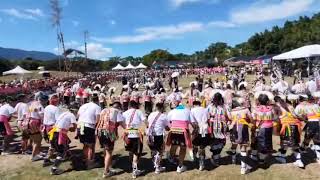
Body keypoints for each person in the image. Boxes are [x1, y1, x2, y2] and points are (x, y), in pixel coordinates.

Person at [96, 97, 125, 178]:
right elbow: (123, 125)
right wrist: (132, 130)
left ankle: (108, 166)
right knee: (109, 152)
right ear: (119, 107)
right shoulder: (117, 111)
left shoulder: (104, 110)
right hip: (108, 132)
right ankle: (106, 172)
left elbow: (99, 120)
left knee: (105, 149)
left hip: (100, 131)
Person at [274, 96, 304, 168]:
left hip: (287, 127)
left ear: (275, 101)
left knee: (286, 143)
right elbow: (295, 115)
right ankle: (297, 160)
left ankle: (285, 158)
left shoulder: (277, 107)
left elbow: (276, 118)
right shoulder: (290, 105)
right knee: (293, 143)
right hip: (295, 125)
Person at [166, 95, 192, 173]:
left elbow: (168, 122)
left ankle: (171, 158)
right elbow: (191, 121)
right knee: (183, 148)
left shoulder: (172, 111)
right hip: (183, 131)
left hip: (174, 131)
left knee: (174, 145)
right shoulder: (187, 110)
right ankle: (180, 166)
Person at [251, 92, 277, 165]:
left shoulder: (256, 109)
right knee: (265, 143)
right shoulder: (271, 109)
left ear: (258, 101)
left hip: (258, 127)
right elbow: (275, 117)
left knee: (255, 140)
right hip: (268, 128)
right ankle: (262, 159)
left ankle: (254, 155)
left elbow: (253, 118)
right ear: (267, 101)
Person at [48, 108, 77, 175]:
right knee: (61, 153)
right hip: (59, 134)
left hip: (54, 132)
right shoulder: (71, 115)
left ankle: (69, 156)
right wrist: (70, 129)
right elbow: (74, 128)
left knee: (66, 144)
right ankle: (54, 169)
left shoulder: (63, 114)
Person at [77, 93, 101, 169]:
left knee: (85, 144)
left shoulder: (83, 106)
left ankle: (85, 159)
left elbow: (78, 116)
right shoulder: (97, 107)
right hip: (89, 126)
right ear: (97, 100)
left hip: (80, 126)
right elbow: (97, 120)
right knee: (91, 145)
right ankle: (90, 163)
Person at [122, 100, 146, 178]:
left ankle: (131, 165)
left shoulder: (125, 113)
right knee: (136, 153)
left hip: (127, 134)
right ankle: (134, 171)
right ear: (136, 105)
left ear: (129, 106)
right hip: (136, 135)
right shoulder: (139, 112)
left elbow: (122, 123)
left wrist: (127, 128)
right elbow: (145, 121)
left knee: (130, 150)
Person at [229, 98, 253, 174]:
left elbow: (230, 119)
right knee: (243, 147)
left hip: (234, 128)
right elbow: (251, 118)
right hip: (243, 128)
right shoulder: (246, 109)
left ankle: (233, 158)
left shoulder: (232, 111)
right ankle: (243, 168)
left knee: (234, 143)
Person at [294, 95, 320, 164]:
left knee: (307, 138)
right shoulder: (317, 106)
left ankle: (302, 150)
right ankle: (318, 157)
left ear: (309, 100)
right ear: (313, 100)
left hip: (311, 123)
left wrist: (304, 118)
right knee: (317, 140)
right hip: (318, 123)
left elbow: (296, 114)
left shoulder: (305, 107)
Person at [207, 91, 230, 166]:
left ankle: (215, 156)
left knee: (216, 142)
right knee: (221, 142)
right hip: (219, 128)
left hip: (214, 127)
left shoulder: (210, 106)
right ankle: (216, 157)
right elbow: (229, 117)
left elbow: (206, 116)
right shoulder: (225, 107)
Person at [146, 102, 169, 174]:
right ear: (162, 108)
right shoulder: (163, 116)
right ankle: (157, 167)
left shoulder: (151, 114)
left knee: (153, 150)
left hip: (150, 135)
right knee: (160, 151)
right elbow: (167, 127)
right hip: (158, 135)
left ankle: (155, 164)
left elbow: (148, 124)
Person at [26, 92, 48, 161]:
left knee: (36, 139)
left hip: (29, 122)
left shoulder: (31, 103)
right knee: (37, 140)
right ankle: (33, 156)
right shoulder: (39, 105)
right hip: (35, 122)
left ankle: (37, 152)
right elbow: (42, 115)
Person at [190, 98, 210, 171]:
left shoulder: (192, 110)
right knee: (202, 147)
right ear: (199, 104)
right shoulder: (205, 109)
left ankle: (195, 157)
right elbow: (208, 120)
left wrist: (195, 129)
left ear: (194, 104)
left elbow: (192, 122)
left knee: (195, 145)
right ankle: (201, 163)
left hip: (197, 129)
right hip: (205, 129)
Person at [43, 94, 61, 166]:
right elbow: (58, 119)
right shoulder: (55, 109)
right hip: (53, 128)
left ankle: (47, 159)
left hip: (47, 127)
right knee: (56, 144)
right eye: (57, 100)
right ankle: (48, 159)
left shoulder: (46, 107)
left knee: (52, 143)